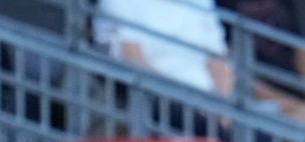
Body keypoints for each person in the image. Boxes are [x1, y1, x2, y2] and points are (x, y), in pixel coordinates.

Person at [216, 0, 305, 128]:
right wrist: (298, 107)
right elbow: (234, 73)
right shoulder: (222, 4)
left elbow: (301, 53)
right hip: (256, 104)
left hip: (296, 93)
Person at [95, 0, 234, 98]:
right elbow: (134, 59)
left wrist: (224, 109)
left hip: (206, 100)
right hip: (157, 100)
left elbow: (218, 60)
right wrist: (181, 100)